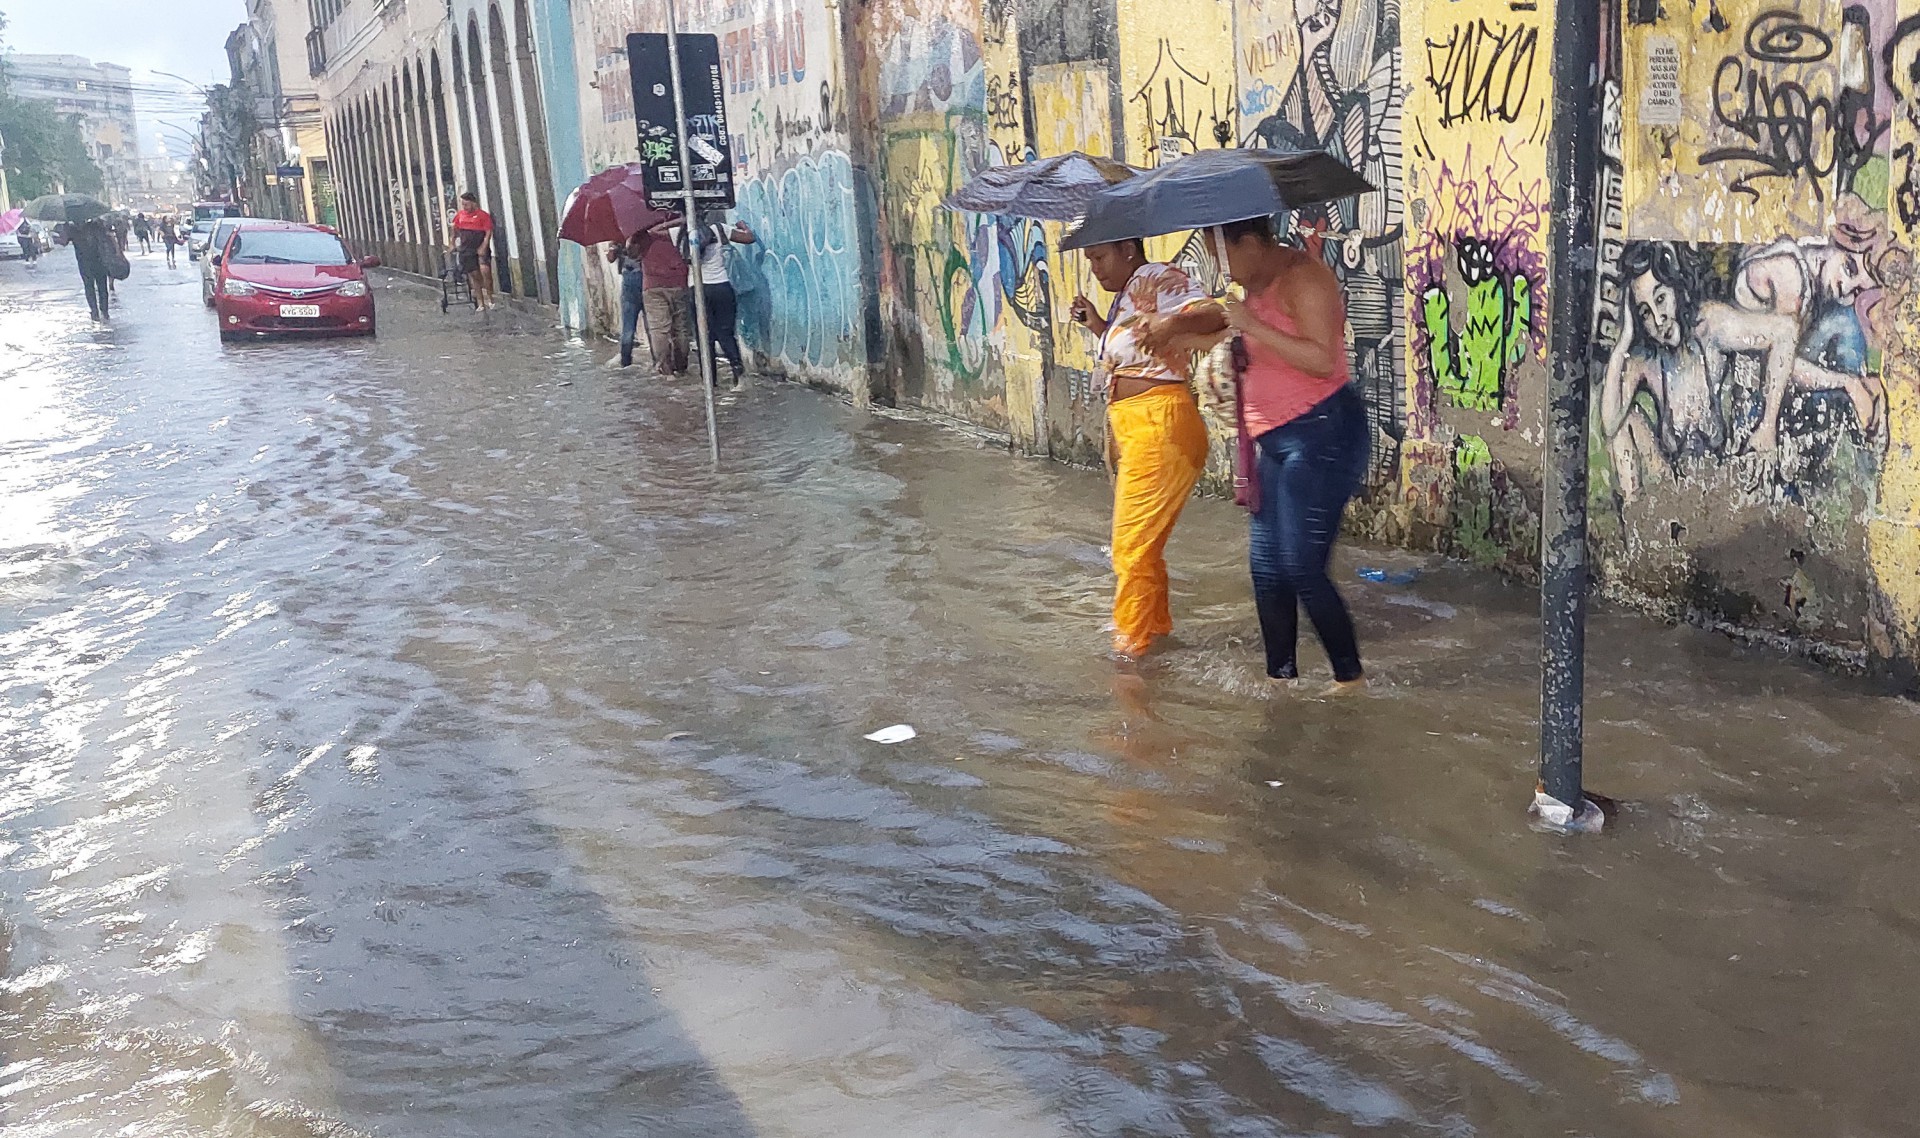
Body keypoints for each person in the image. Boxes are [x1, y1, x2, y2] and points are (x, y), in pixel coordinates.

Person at [1143, 216, 1369, 688]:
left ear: (1248, 242)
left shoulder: (1304, 278)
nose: (1218, 265)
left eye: (1220, 253)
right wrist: (1177, 339)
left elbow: (1322, 359)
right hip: (1275, 441)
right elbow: (1239, 339)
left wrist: (1251, 324)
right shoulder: (1255, 286)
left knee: (1302, 565)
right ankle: (1279, 680)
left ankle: (1350, 681)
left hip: (1323, 433)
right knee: (1266, 569)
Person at [1067, 238, 1211, 661]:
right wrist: (1098, 325)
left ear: (1128, 249)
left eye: (1100, 257)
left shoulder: (1157, 277)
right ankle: (1156, 634)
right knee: (1142, 546)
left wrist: (1171, 324)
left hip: (1158, 424)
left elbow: (1210, 312)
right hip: (1139, 426)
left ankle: (1129, 659)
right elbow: (1137, 356)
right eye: (1089, 259)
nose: (1094, 268)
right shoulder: (1129, 293)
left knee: (1130, 547)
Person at [673, 209, 756, 386]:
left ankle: (710, 382)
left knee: (704, 337)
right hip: (722, 287)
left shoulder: (679, 234)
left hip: (698, 290)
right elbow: (749, 238)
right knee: (726, 333)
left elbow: (654, 232)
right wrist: (743, 226)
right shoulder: (720, 229)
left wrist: (677, 222)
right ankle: (739, 374)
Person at [634, 213, 692, 377]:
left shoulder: (641, 226)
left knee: (659, 329)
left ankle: (665, 370)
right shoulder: (681, 222)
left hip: (653, 285)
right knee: (681, 328)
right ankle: (681, 368)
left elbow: (632, 253)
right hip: (679, 281)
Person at [606, 230, 648, 369]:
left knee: (628, 326)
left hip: (630, 278)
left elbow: (610, 258)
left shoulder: (620, 233)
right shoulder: (647, 231)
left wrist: (615, 244)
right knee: (653, 326)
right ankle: (659, 363)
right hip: (647, 278)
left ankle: (625, 363)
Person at [450, 192, 497, 310]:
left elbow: (488, 233)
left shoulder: (483, 215)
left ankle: (490, 298)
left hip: (480, 246)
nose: (464, 207)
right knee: (474, 275)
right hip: (466, 249)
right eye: (463, 204)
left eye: (466, 204)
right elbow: (454, 230)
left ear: (473, 203)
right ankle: (480, 301)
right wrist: (452, 244)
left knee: (485, 271)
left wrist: (483, 246)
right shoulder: (460, 216)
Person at [68, 217, 116, 321]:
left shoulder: (75, 229)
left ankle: (96, 312)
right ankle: (103, 311)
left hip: (88, 263)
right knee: (100, 287)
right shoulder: (95, 226)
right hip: (97, 262)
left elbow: (63, 241)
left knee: (91, 287)